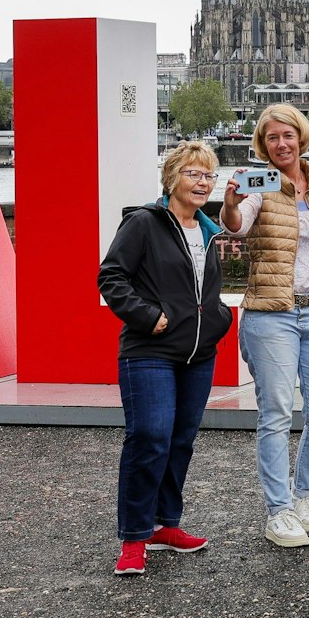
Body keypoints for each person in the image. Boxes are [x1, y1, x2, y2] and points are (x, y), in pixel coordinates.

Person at [220, 103, 309, 548]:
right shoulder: (260, 184)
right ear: (263, 145)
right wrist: (229, 204)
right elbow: (237, 229)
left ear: (302, 137)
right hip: (271, 313)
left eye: (288, 135)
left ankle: (305, 494)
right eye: (272, 138)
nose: (281, 144)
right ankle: (278, 510)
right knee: (277, 413)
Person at [97, 140, 234, 577]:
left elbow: (204, 294)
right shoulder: (144, 223)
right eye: (194, 173)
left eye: (209, 175)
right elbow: (111, 276)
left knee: (180, 441)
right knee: (150, 437)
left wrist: (218, 319)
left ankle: (164, 525)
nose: (202, 182)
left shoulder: (209, 230)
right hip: (149, 351)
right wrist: (147, 316)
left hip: (198, 354)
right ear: (173, 178)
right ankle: (134, 538)